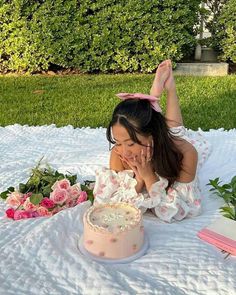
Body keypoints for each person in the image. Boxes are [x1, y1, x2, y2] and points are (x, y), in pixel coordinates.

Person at [93, 60, 211, 222]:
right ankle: (153, 98)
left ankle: (170, 88)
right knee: (172, 128)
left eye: (131, 143)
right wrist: (139, 180)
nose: (124, 151)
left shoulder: (185, 153)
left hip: (169, 143)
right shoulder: (118, 153)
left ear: (154, 136)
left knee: (176, 130)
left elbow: (185, 208)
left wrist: (149, 177)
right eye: (118, 142)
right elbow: (110, 200)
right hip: (159, 136)